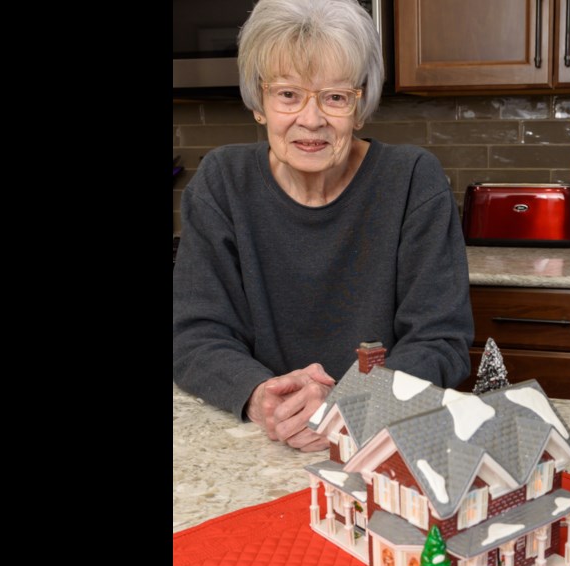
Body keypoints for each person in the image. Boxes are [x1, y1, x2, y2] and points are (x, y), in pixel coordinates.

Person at [173, 0, 474, 453]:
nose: (310, 120)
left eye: (335, 97)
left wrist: (351, 404)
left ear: (361, 105)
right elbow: (194, 336)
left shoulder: (412, 179)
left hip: (378, 442)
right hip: (258, 442)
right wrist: (262, 397)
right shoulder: (222, 182)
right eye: (288, 94)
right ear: (260, 101)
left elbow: (441, 341)